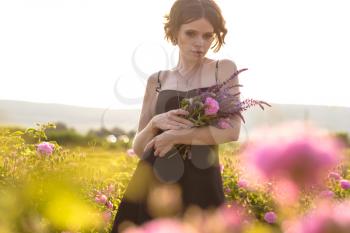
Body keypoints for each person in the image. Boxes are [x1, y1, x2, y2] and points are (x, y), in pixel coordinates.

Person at [111, 0, 241, 232]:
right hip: (154, 186)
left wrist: (175, 137)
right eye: (191, 33)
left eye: (207, 36)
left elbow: (232, 131)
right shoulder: (157, 80)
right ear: (174, 32)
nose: (200, 43)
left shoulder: (224, 69)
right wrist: (153, 124)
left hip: (202, 184)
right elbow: (141, 148)